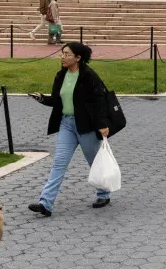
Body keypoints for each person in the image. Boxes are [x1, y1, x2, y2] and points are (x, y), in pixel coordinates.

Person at [28, 43, 114, 215]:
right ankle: (46, 203)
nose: (63, 57)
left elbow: (99, 101)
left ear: (78, 57)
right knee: (59, 162)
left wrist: (102, 125)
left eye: (67, 54)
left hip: (86, 126)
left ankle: (104, 193)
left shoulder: (89, 76)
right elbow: (57, 100)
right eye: (62, 53)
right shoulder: (61, 75)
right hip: (67, 124)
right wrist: (42, 99)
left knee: (94, 162)